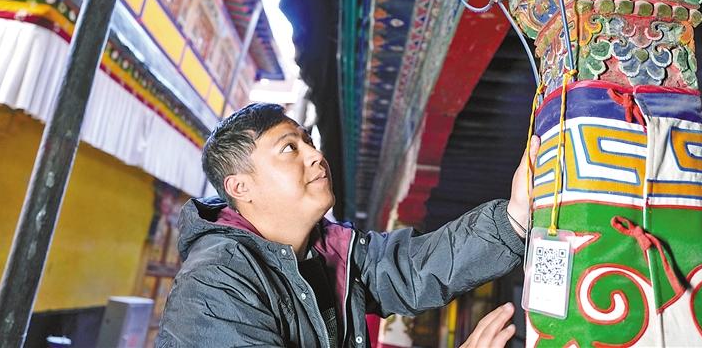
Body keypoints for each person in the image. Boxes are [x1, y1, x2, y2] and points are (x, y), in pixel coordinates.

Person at [155, 103, 539, 348]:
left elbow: (411, 267)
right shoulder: (213, 285)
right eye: (289, 148)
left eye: (308, 141)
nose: (315, 155)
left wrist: (514, 217)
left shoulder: (333, 250)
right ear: (241, 187)